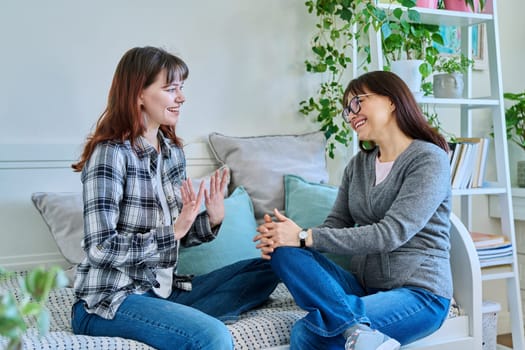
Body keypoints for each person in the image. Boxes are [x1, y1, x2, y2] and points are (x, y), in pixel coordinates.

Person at [70, 46, 279, 350]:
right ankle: (183, 323)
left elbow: (180, 235)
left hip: (165, 291)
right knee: (212, 337)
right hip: (111, 300)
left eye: (181, 88)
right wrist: (174, 231)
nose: (181, 97)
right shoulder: (110, 154)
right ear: (138, 94)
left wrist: (212, 218)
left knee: (273, 266)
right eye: (170, 89)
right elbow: (100, 247)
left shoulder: (172, 152)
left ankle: (174, 320)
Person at [254, 70, 452, 350]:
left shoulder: (429, 159)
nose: (350, 115)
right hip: (363, 288)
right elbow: (336, 224)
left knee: (308, 333)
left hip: (419, 294)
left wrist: (304, 236)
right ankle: (357, 329)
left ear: (392, 100)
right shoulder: (358, 165)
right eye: (346, 109)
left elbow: (391, 234)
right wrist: (286, 237)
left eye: (357, 102)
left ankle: (353, 328)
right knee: (282, 251)